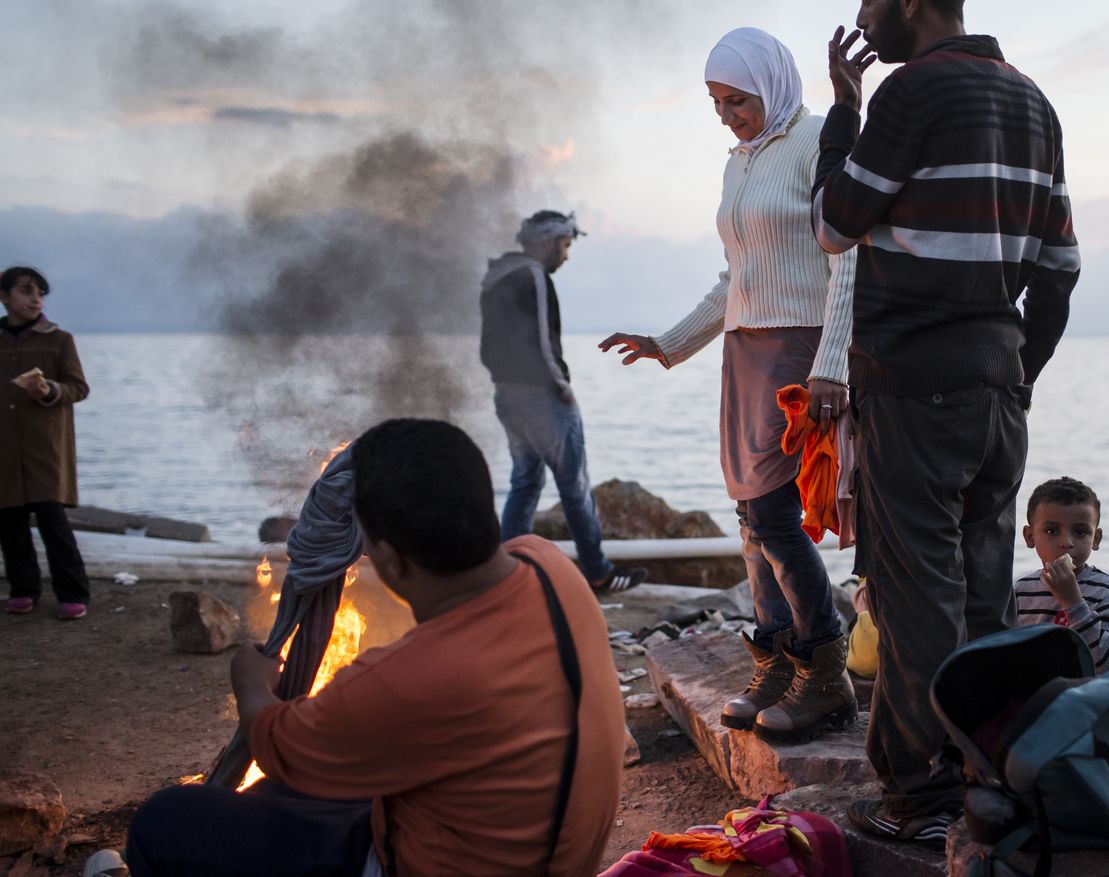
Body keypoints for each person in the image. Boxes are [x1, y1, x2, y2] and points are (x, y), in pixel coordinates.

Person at [123, 419, 626, 875]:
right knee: (295, 791)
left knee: (168, 819)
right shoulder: (549, 565)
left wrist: (252, 688)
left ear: (388, 557)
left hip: (424, 862)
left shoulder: (409, 676)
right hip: (555, 853)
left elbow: (273, 742)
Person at [812, 0, 1081, 847]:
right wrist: (1017, 373)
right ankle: (987, 775)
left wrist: (844, 113)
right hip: (998, 385)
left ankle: (915, 794)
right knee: (983, 589)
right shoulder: (1034, 101)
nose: (862, 17)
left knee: (916, 591)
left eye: (870, 3)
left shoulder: (911, 94)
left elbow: (832, 223)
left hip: (912, 386)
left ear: (914, 4)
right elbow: (1061, 270)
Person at [599, 27, 858, 740]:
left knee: (776, 514)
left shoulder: (816, 144)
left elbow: (849, 260)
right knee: (750, 521)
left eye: (736, 100)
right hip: (744, 353)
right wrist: (668, 342)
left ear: (770, 87)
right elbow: (734, 278)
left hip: (799, 351)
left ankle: (825, 670)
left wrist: (831, 362)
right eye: (715, 102)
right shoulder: (738, 163)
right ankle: (775, 657)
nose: (725, 115)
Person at [480, 210, 646, 593]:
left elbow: (489, 343)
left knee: (525, 480)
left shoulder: (495, 277)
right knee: (574, 482)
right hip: (541, 394)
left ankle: (506, 573)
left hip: (506, 393)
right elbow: (541, 338)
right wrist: (562, 386)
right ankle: (597, 570)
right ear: (546, 241)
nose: (566, 255)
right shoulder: (533, 275)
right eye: (565, 245)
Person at [1, 266, 91, 621]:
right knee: (9, 523)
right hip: (5, 450)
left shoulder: (58, 339)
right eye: (25, 291)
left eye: (39, 292)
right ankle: (24, 590)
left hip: (45, 449)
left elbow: (78, 388)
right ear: (5, 296)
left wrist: (50, 389)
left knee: (53, 521)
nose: (35, 298)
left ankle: (73, 593)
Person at [1013, 477, 1109, 671]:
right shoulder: (1021, 590)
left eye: (1080, 532)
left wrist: (1073, 603)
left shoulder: (1105, 589)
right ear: (1030, 537)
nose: (1066, 542)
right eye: (1051, 531)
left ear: (1096, 539)